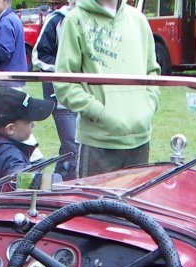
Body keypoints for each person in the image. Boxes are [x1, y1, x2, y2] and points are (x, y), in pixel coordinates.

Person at [55, 0, 160, 178]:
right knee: (96, 206)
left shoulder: (139, 20)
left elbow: (152, 72)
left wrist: (149, 106)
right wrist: (100, 112)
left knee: (133, 205)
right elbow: (64, 83)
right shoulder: (75, 20)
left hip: (140, 140)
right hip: (98, 142)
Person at [0, 88, 55, 185]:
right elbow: (25, 186)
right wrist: (55, 180)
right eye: (29, 121)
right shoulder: (13, 158)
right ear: (10, 129)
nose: (34, 124)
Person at [32, 0, 78, 180]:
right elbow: (38, 56)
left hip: (85, 95)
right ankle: (64, 187)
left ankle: (58, 183)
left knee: (72, 146)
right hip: (60, 97)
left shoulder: (91, 21)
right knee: (72, 143)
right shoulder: (56, 20)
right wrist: (64, 69)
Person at [0, 0, 28, 86]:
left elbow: (3, 52)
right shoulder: (13, 18)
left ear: (5, 1)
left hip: (8, 79)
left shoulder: (6, 21)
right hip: (14, 78)